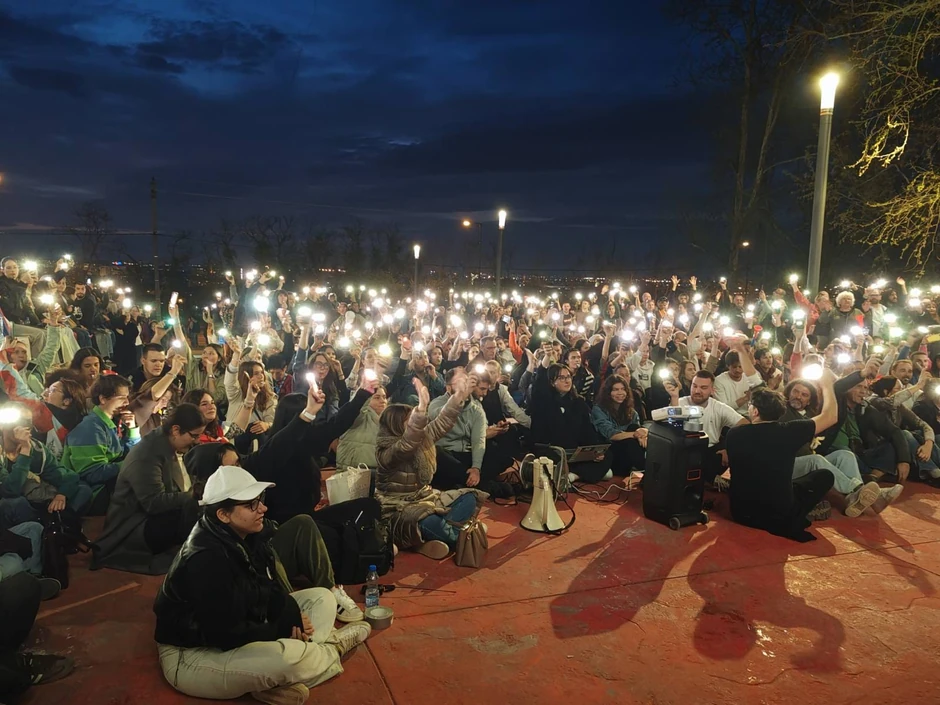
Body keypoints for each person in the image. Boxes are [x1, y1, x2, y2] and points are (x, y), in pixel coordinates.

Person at [153, 466, 370, 705]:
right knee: (288, 659)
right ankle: (332, 648)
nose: (263, 509)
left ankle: (266, 683)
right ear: (223, 515)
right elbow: (223, 634)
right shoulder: (206, 559)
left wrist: (290, 613)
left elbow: (265, 587)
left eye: (260, 501)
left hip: (239, 628)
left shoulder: (247, 534)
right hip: (194, 655)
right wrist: (281, 629)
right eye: (251, 505)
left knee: (322, 598)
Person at [375, 375, 486, 560]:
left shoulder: (421, 437)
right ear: (396, 425)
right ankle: (462, 534)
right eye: (410, 420)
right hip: (397, 508)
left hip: (426, 498)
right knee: (430, 522)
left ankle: (446, 535)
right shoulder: (387, 450)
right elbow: (406, 446)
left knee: (470, 497)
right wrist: (421, 410)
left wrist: (459, 396)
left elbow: (443, 422)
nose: (417, 423)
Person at [92, 404, 205, 574]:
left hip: (148, 517)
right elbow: (153, 503)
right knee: (197, 516)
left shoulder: (165, 443)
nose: (196, 441)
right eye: (194, 436)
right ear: (175, 430)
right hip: (133, 526)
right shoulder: (148, 454)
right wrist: (193, 496)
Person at [726, 375, 840, 542]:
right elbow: (831, 417)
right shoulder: (790, 431)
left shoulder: (734, 434)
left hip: (741, 513)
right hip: (778, 514)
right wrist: (827, 385)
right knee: (824, 476)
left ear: (755, 411)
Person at [530, 350, 610, 483]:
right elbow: (538, 383)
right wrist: (548, 356)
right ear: (551, 382)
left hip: (575, 451)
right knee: (606, 474)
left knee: (608, 457)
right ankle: (582, 473)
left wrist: (595, 450)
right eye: (561, 378)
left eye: (568, 377)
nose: (567, 381)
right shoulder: (544, 401)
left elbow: (587, 430)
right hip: (554, 450)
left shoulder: (578, 402)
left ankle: (573, 476)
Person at [0, 403, 93, 516]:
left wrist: (61, 495)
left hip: (39, 498)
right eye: (17, 421)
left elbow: (65, 475)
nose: (22, 427)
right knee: (16, 503)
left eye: (27, 421)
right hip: (13, 504)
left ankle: (61, 521)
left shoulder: (37, 449)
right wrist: (25, 451)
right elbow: (10, 490)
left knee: (83, 489)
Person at [62, 374, 138, 504]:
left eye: (127, 398)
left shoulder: (110, 422)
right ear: (103, 399)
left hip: (109, 487)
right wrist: (132, 464)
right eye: (121, 398)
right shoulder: (90, 428)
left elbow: (130, 453)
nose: (126, 403)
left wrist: (132, 430)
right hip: (94, 493)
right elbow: (93, 473)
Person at [670, 370, 747, 483]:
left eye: (703, 388)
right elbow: (670, 426)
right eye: (694, 386)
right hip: (683, 449)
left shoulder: (719, 407)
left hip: (709, 451)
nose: (697, 391)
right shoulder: (678, 402)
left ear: (712, 390)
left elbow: (746, 426)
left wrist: (729, 449)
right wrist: (673, 398)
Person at [591, 375, 647, 476]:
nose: (620, 393)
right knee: (632, 436)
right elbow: (611, 435)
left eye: (623, 389)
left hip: (630, 453)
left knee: (635, 428)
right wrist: (635, 434)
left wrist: (643, 433)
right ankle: (646, 469)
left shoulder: (632, 412)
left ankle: (645, 468)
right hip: (611, 453)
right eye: (616, 390)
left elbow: (638, 433)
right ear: (608, 392)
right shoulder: (598, 409)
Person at [0, 258, 46, 357]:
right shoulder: (2, 284)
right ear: (2, 270)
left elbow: (26, 307)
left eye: (15, 267)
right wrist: (22, 284)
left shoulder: (17, 284)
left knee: (45, 332)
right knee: (39, 335)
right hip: (7, 325)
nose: (13, 270)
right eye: (8, 268)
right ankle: (34, 366)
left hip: (18, 323)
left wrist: (38, 323)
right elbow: (12, 308)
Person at [335, 386, 387, 468]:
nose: (382, 401)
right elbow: (356, 406)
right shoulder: (359, 417)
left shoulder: (388, 421)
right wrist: (366, 389)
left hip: (377, 473)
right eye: (377, 398)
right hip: (352, 472)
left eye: (384, 397)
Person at [713, 344, 763, 414]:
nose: (738, 370)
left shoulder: (748, 377)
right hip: (729, 417)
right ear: (728, 366)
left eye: (740, 366)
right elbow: (723, 407)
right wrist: (746, 398)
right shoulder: (719, 381)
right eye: (734, 367)